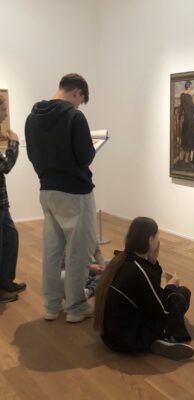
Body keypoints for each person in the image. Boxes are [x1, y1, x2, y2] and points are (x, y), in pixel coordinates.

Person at [25, 73, 97, 323]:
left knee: (52, 250)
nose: (79, 105)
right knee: (79, 251)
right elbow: (85, 156)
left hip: (47, 190)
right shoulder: (75, 117)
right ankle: (76, 307)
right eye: (80, 100)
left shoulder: (32, 117)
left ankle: (52, 305)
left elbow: (32, 155)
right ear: (77, 92)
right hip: (75, 191)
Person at [94, 217, 194, 361]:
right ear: (150, 240)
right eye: (157, 237)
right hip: (127, 341)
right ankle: (167, 337)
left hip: (108, 337)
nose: (159, 241)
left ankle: (158, 338)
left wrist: (153, 263)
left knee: (173, 294)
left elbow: (149, 291)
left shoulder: (119, 259)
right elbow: (161, 310)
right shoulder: (138, 270)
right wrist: (171, 286)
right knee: (181, 294)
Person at [0, 95, 26, 303]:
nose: (6, 113)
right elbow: (5, 165)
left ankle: (5, 281)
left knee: (10, 238)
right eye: (3, 109)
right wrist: (14, 143)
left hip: (2, 202)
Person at [178, 80, 194, 164]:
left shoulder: (182, 95)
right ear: (189, 87)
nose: (191, 89)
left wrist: (179, 117)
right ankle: (186, 159)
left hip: (185, 120)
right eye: (191, 88)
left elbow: (181, 107)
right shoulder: (189, 96)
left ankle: (182, 157)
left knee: (185, 138)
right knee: (190, 139)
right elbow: (193, 108)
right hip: (190, 120)